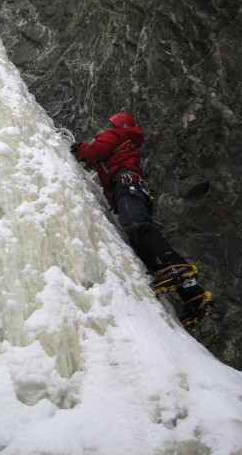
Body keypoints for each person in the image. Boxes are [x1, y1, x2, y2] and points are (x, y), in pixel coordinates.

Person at [70, 112, 213, 328]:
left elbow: (95, 151)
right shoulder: (127, 144)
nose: (107, 126)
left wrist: (77, 148)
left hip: (126, 187)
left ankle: (179, 268)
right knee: (141, 244)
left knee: (137, 227)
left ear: (118, 124)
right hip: (133, 188)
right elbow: (102, 161)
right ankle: (193, 296)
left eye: (111, 123)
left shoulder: (115, 134)